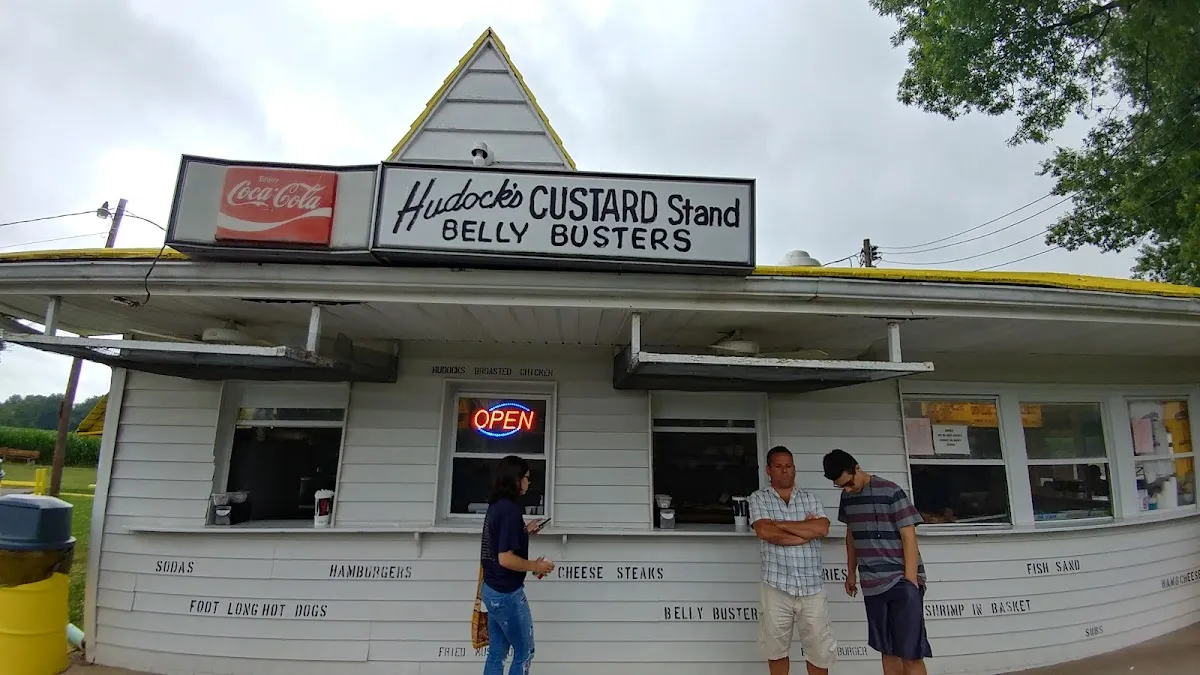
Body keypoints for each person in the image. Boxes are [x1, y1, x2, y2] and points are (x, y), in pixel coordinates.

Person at [823, 448, 931, 675]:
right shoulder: (847, 498)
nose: (847, 489)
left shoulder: (892, 492)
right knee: (887, 650)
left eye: (849, 483)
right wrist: (851, 573)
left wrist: (910, 580)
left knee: (910, 653)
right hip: (872, 585)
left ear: (857, 468)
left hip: (901, 581)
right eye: (841, 486)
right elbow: (851, 535)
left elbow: (909, 536)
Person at [748, 445, 838, 675]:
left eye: (788, 466)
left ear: (794, 469)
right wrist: (804, 532)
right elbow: (765, 532)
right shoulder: (759, 498)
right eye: (778, 466)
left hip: (812, 587)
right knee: (776, 650)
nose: (784, 471)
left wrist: (781, 524)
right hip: (776, 586)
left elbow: (822, 528)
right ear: (769, 470)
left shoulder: (811, 498)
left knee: (819, 650)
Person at [479, 455, 553, 675]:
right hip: (507, 594)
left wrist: (524, 532)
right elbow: (505, 558)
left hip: (491, 589)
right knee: (524, 652)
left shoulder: (497, 505)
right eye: (526, 477)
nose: (528, 482)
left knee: (497, 652)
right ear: (516, 479)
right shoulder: (510, 510)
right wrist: (535, 566)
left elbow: (498, 544)